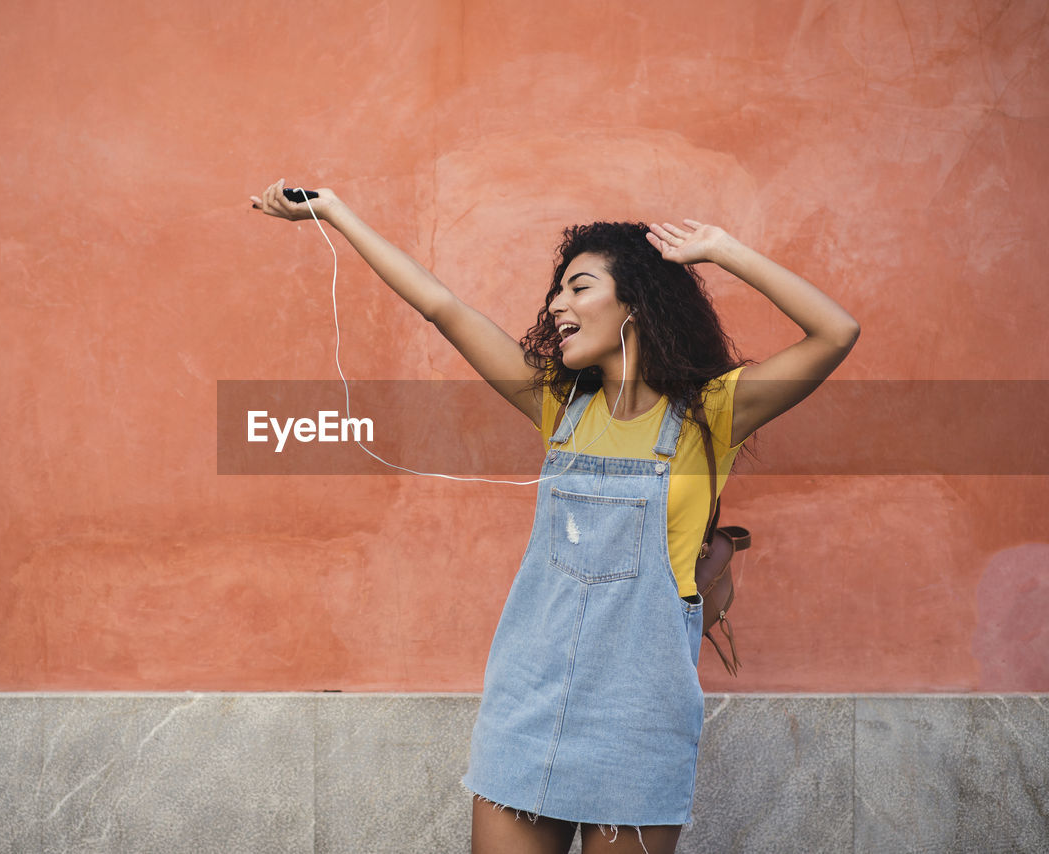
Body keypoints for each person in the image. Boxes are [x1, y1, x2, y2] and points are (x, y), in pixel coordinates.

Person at [251, 179, 859, 854]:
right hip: (529, 702)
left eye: (578, 287)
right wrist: (335, 212)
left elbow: (836, 332)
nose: (555, 304)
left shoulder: (712, 413)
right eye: (557, 290)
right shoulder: (559, 406)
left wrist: (724, 251)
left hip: (639, 715)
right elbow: (440, 307)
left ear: (637, 303)